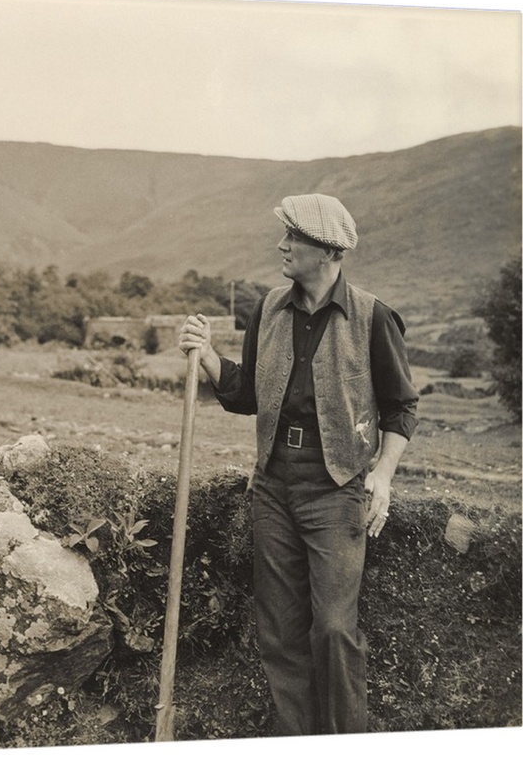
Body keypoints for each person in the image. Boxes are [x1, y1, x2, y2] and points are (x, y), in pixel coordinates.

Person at [178, 193, 418, 735]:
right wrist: (209, 356)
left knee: (333, 629)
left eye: (294, 238)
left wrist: (381, 474)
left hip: (335, 491)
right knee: (281, 635)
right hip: (273, 489)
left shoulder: (373, 317)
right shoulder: (268, 310)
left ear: (329, 252)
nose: (282, 246)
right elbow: (246, 395)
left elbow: (402, 406)